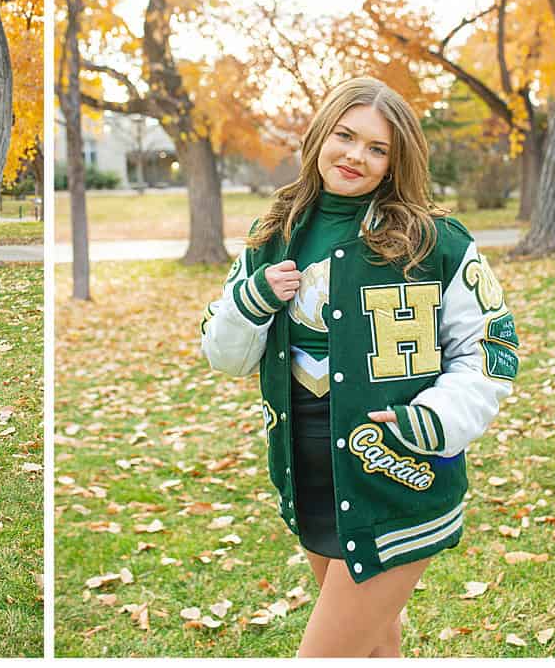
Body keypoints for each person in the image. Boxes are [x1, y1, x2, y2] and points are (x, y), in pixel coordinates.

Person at [200, 77, 518, 657]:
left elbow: (493, 349)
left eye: (378, 149)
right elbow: (226, 357)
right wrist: (254, 300)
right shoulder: (273, 234)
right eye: (345, 136)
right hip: (310, 480)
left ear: (397, 163)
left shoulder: (435, 241)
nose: (356, 156)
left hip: (399, 479)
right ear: (321, 134)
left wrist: (434, 421)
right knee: (373, 650)